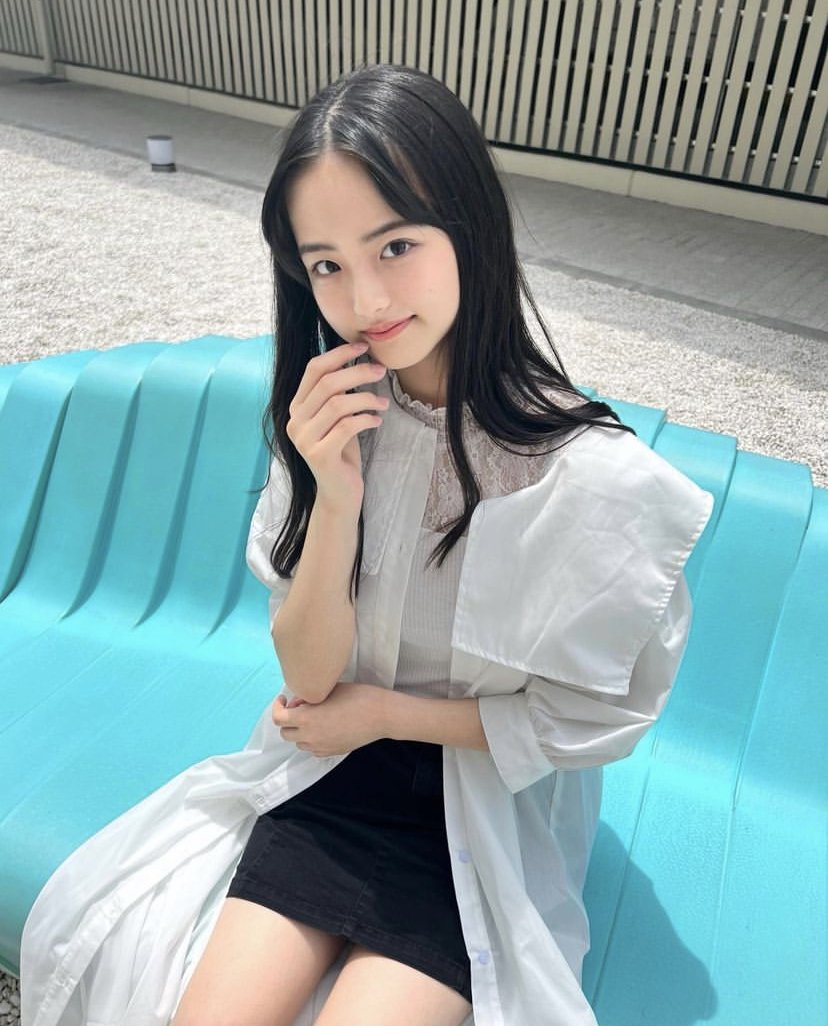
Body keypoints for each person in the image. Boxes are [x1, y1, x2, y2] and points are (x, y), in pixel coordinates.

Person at [20, 64, 713, 1026]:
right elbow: (308, 676)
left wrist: (383, 711)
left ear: (470, 227)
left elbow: (592, 720)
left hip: (479, 812)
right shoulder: (331, 418)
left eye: (395, 245)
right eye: (326, 265)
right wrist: (336, 497)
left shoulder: (585, 477)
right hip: (331, 773)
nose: (365, 297)